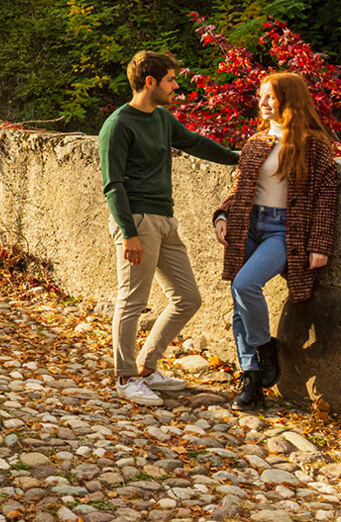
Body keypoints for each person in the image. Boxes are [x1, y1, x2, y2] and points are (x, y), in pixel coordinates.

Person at [98, 51, 241, 407]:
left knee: (188, 298)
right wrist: (128, 232)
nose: (177, 86)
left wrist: (242, 157)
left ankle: (146, 366)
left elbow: (195, 143)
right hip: (137, 221)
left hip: (166, 219)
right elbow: (113, 184)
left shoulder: (162, 119)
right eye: (171, 80)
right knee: (132, 300)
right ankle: (125, 376)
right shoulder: (118, 125)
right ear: (150, 82)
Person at [213, 71, 340, 412]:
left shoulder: (315, 146)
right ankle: (252, 379)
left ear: (289, 99)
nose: (262, 102)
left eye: (270, 96)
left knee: (245, 284)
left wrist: (320, 244)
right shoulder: (256, 142)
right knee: (239, 302)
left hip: (284, 231)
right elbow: (239, 186)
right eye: (261, 96)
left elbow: (327, 198)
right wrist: (223, 215)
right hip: (248, 225)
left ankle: (263, 346)